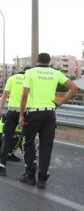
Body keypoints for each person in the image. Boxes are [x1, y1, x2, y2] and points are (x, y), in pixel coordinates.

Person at [19, 53, 77, 189]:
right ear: (49, 61)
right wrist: (59, 103)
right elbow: (73, 87)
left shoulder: (30, 72)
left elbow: (24, 95)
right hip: (50, 114)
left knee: (28, 143)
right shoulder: (55, 73)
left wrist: (21, 115)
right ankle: (42, 180)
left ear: (37, 60)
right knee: (46, 146)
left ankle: (30, 177)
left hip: (33, 113)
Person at [0, 67, 31, 176]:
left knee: (6, 138)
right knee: (27, 140)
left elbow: (4, 96)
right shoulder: (32, 78)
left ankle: (1, 167)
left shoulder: (12, 78)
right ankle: (30, 171)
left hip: (13, 112)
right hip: (27, 113)